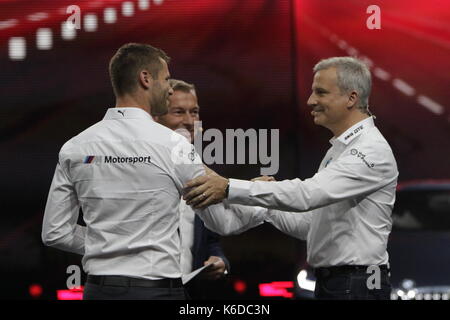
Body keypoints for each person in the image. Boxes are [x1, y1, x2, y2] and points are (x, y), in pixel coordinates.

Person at [183, 57, 399, 300]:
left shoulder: (370, 150)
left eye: (321, 92)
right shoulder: (339, 149)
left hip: (358, 284)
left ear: (351, 98)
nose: (311, 101)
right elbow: (310, 225)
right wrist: (266, 204)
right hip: (339, 283)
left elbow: (308, 195)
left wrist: (230, 187)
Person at [41, 43, 223, 300]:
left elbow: (55, 232)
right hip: (157, 293)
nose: (170, 88)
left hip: (98, 292)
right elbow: (220, 219)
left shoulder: (75, 146)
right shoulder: (172, 143)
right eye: (167, 79)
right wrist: (256, 194)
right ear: (145, 78)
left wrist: (109, 241)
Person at [154, 79, 230, 299]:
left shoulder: (204, 177)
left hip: (189, 294)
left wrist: (219, 261)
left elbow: (211, 241)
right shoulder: (137, 172)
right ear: (156, 118)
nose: (189, 121)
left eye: (194, 112)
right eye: (178, 112)